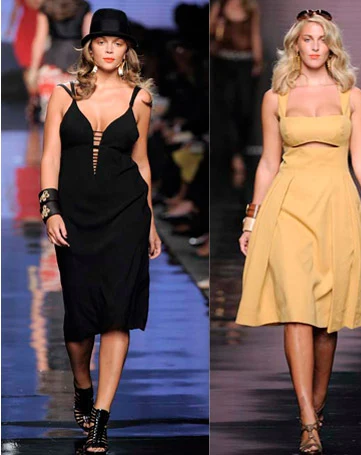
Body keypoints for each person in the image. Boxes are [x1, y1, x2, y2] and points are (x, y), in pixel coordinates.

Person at [235, 9, 361, 454]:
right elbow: (268, 163)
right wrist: (252, 218)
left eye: (322, 39)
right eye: (308, 38)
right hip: (288, 204)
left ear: (332, 45)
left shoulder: (352, 96)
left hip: (336, 204)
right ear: (296, 45)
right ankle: (307, 418)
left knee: (327, 318)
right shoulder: (276, 98)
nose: (316, 46)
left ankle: (317, 404)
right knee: (296, 309)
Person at [39, 8, 160, 453]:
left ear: (127, 50)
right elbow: (50, 155)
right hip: (74, 216)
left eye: (118, 42)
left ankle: (102, 419)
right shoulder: (63, 94)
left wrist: (150, 221)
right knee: (78, 321)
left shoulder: (140, 99)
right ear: (89, 48)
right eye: (102, 42)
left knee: (116, 314)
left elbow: (141, 163)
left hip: (126, 215)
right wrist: (50, 209)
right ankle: (82, 386)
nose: (110, 49)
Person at [209, 0, 263, 186]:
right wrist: (216, 24)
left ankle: (240, 152)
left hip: (245, 63)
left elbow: (255, 34)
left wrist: (258, 61)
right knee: (227, 108)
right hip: (223, 63)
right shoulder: (220, 6)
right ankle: (236, 157)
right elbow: (210, 31)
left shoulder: (251, 8)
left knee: (245, 110)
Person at [27, 0, 92, 122]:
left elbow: (40, 39)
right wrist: (92, 65)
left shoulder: (46, 7)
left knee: (51, 114)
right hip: (77, 61)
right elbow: (88, 38)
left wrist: (34, 69)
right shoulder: (83, 6)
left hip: (54, 61)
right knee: (77, 112)